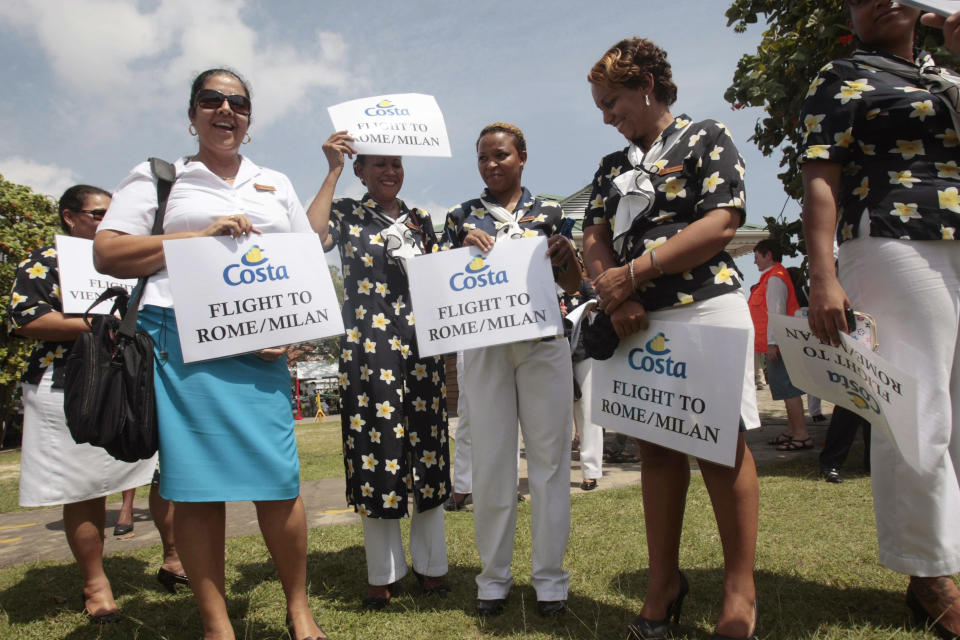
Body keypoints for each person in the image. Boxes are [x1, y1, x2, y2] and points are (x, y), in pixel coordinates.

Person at [93, 69, 326, 640]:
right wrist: (194, 241)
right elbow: (109, 252)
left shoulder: (274, 181)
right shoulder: (161, 179)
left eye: (238, 103)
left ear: (250, 118)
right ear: (192, 112)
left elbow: (305, 257)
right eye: (211, 100)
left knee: (279, 480)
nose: (225, 110)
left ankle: (299, 609)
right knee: (196, 488)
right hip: (179, 342)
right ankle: (216, 624)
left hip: (259, 350)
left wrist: (292, 332)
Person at [584, 38, 760, 640]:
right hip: (637, 319)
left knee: (718, 443)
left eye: (612, 102)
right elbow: (595, 239)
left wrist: (638, 271)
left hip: (706, 305)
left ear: (647, 88)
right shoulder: (611, 168)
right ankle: (664, 582)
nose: (607, 116)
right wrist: (619, 294)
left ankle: (740, 591)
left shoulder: (708, 136)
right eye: (602, 107)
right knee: (655, 449)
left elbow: (722, 222)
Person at [800, 3, 960, 636]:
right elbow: (820, 172)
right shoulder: (840, 73)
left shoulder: (943, 75)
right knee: (917, 409)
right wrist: (822, 274)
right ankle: (928, 575)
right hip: (895, 235)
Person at [7, 185, 185, 624]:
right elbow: (28, 318)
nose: (108, 222)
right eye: (97, 214)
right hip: (75, 384)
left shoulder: (136, 260)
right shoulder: (45, 261)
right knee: (86, 486)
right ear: (70, 217)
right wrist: (97, 321)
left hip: (138, 379)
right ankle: (95, 584)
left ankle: (175, 558)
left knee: (167, 473)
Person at [441, 121, 581, 618]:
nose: (491, 164)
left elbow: (573, 280)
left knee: (549, 465)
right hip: (486, 349)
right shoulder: (460, 215)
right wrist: (460, 251)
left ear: (522, 157)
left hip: (543, 343)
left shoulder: (551, 211)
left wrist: (566, 256)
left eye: (500, 155)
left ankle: (550, 581)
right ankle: (493, 579)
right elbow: (445, 284)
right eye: (482, 157)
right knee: (493, 464)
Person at [307, 132, 451, 609]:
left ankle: (432, 567)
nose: (390, 171)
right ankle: (383, 572)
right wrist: (330, 169)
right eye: (379, 165)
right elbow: (310, 238)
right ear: (361, 171)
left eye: (396, 163)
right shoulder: (347, 213)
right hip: (369, 349)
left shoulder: (421, 220)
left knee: (427, 452)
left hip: (421, 350)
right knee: (377, 451)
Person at [747, 239, 812, 452]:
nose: (755, 261)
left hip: (780, 345)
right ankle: (792, 431)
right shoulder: (771, 277)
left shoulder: (775, 279)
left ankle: (801, 434)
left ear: (768, 255)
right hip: (777, 344)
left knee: (789, 390)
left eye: (757, 256)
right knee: (784, 390)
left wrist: (773, 344)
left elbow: (776, 312)